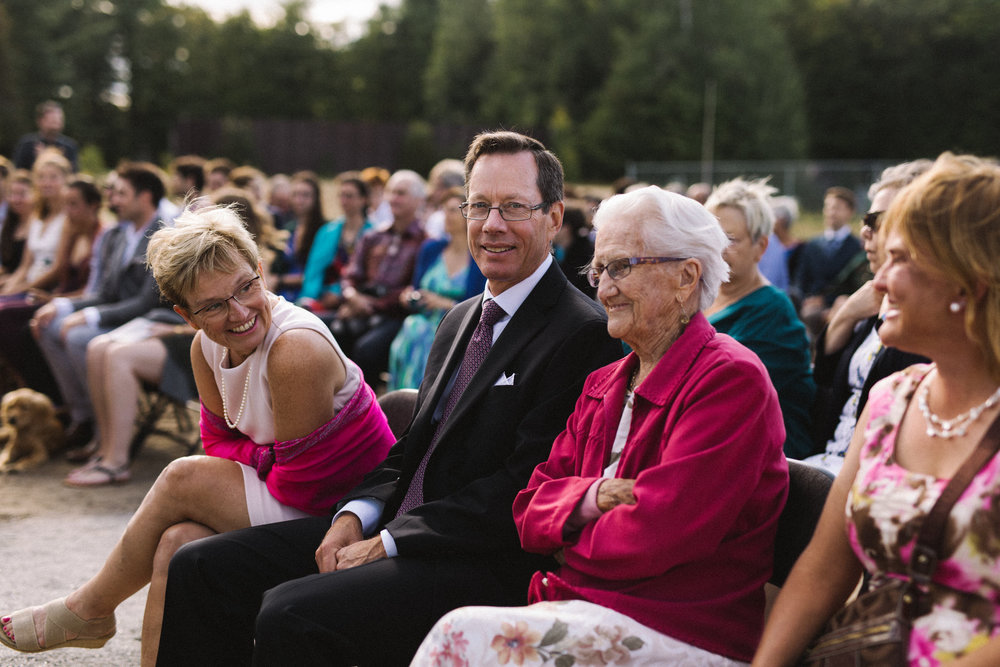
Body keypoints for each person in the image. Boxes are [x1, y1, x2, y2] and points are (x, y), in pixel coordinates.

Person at [154, 130, 623, 666]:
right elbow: (412, 448)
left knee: (291, 612)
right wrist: (354, 515)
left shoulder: (580, 331)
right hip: (398, 526)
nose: (493, 225)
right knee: (198, 566)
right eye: (479, 206)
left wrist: (391, 541)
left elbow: (524, 485)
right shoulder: (459, 318)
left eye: (514, 207)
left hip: (476, 556)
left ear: (555, 216)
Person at [0, 204, 396, 665]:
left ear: (260, 271)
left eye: (246, 287)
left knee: (182, 479)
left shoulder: (295, 349)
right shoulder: (204, 346)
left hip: (347, 510)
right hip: (295, 492)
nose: (239, 312)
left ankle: (91, 607)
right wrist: (267, 455)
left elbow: (302, 484)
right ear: (187, 316)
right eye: (213, 305)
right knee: (176, 541)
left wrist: (253, 458)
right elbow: (217, 445)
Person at [412, 185, 788, 666]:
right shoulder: (605, 382)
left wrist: (565, 539)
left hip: (681, 631)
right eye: (599, 269)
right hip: (585, 608)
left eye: (622, 267)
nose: (603, 288)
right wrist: (592, 499)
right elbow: (528, 509)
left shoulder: (729, 380)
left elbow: (655, 534)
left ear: (685, 277)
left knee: (461, 635)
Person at [754, 153, 1000, 666]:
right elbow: (822, 572)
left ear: (969, 279)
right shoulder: (891, 402)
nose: (879, 280)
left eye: (901, 259)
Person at [63, 190, 283, 487]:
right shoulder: (203, 265)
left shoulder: (249, 264)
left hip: (199, 336)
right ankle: (104, 446)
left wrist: (176, 328)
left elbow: (236, 314)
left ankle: (117, 460)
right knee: (99, 346)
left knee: (118, 355)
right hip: (193, 332)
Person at [805, 160, 932, 475]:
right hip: (830, 460)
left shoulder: (934, 317)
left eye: (879, 220)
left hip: (868, 473)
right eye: (866, 219)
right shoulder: (871, 298)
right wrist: (847, 314)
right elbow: (824, 374)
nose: (865, 231)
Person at [31, 162, 167, 453]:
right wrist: (62, 305)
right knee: (47, 324)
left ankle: (105, 427)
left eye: (121, 193)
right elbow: (105, 292)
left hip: (146, 322)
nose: (113, 200)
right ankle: (84, 417)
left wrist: (90, 316)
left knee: (79, 336)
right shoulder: (117, 234)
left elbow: (147, 302)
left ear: (145, 197)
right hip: (118, 318)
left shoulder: (163, 235)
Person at [704, 178, 816, 458]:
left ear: (761, 246)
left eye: (730, 239)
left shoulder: (774, 310)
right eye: (710, 237)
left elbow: (722, 390)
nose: (717, 249)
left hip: (765, 456)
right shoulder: (699, 297)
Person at [0, 176, 102, 402]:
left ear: (92, 205)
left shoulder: (101, 235)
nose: (68, 210)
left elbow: (93, 289)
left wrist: (55, 299)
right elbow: (60, 270)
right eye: (66, 204)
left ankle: (46, 394)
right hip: (59, 297)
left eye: (73, 204)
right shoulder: (72, 231)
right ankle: (31, 390)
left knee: (12, 318)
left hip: (76, 300)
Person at [330, 169, 427, 384]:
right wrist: (352, 296)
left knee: (367, 350)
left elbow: (414, 289)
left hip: (395, 316)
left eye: (401, 193)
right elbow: (350, 275)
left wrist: (372, 304)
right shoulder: (373, 236)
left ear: (419, 200)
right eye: (390, 192)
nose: (393, 198)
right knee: (319, 331)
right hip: (359, 308)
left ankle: (367, 412)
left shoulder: (425, 242)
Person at [387, 186, 485, 390]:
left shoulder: (479, 257)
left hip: (458, 325)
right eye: (444, 210)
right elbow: (416, 287)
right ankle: (405, 398)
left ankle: (421, 399)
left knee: (421, 332)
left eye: (453, 210)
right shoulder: (431, 249)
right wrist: (409, 296)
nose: (445, 216)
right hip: (423, 318)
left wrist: (445, 303)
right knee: (414, 326)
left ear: (470, 214)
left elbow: (481, 304)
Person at [297, 177, 374, 323]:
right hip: (322, 295)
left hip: (354, 296)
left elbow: (371, 274)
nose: (344, 200)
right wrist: (311, 296)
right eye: (341, 195)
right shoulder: (327, 231)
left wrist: (340, 294)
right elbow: (313, 270)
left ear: (363, 199)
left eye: (349, 196)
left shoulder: (373, 233)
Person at [791, 186, 865, 337]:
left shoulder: (858, 247)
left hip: (843, 304)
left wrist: (827, 302)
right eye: (828, 207)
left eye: (837, 208)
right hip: (811, 308)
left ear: (850, 212)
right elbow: (801, 278)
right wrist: (807, 299)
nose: (831, 212)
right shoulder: (812, 245)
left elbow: (857, 284)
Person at [0, 150, 72, 296]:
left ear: (65, 179)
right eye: (41, 177)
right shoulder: (36, 217)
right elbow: (24, 267)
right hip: (27, 285)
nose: (46, 183)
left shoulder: (68, 218)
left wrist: (22, 289)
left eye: (53, 177)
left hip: (47, 291)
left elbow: (57, 269)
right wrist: (8, 290)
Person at [271, 170, 325, 300]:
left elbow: (317, 273)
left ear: (316, 198)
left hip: (310, 297)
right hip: (284, 296)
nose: (299, 200)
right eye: (295, 194)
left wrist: (280, 280)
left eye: (305, 195)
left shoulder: (325, 229)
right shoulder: (289, 228)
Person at [12, 101, 79, 171]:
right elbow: (19, 172)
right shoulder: (27, 144)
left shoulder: (69, 146)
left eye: (59, 119)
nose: (56, 122)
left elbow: (74, 173)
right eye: (52, 120)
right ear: (40, 121)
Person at [554, 205, 596, 298]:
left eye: (555, 224)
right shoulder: (555, 250)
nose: (551, 229)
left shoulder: (585, 255)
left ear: (566, 228)